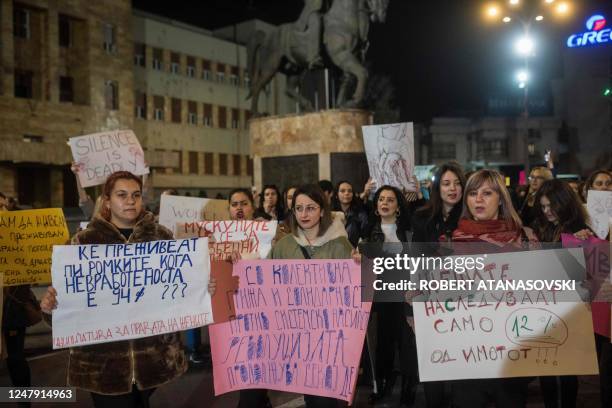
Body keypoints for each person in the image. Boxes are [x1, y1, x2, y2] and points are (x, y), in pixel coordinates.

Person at [40, 171, 216, 408]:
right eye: (121, 195)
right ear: (107, 200)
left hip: (153, 363)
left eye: (136, 195)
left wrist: (202, 287)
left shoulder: (161, 238)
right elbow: (68, 308)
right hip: (101, 367)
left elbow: (179, 289)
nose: (130, 200)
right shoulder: (83, 243)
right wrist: (51, 307)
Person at [451, 169, 537, 408]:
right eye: (472, 193)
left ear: (501, 198)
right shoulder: (450, 242)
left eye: (487, 193)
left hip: (510, 356)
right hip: (467, 356)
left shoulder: (526, 240)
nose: (478, 199)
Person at [269, 184, 352, 408]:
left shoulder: (341, 246)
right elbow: (265, 286)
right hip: (297, 335)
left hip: (331, 335)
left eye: (310, 208)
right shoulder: (283, 247)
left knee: (328, 396)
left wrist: (362, 267)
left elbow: (356, 291)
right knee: (311, 393)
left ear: (322, 211)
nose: (304, 214)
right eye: (299, 208)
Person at [530, 179, 592, 408]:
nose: (547, 212)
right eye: (543, 207)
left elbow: (589, 273)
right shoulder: (537, 227)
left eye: (551, 207)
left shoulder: (581, 230)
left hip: (571, 308)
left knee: (568, 371)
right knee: (545, 367)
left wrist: (585, 244)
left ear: (564, 204)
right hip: (542, 305)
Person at [410, 163, 465, 408]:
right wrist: (413, 303)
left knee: (461, 365)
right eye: (446, 183)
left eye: (457, 183)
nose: (453, 188)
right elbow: (416, 262)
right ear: (437, 187)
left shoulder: (470, 217)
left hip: (466, 303)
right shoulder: (422, 218)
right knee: (434, 364)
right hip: (431, 300)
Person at [362, 185, 417, 407]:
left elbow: (417, 263)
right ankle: (382, 385)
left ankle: (408, 390)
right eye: (381, 199)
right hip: (380, 298)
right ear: (376, 206)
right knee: (382, 346)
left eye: (390, 200)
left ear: (398, 206)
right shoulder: (368, 231)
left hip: (405, 297)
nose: (384, 203)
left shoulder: (409, 232)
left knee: (407, 347)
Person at [1, 191, 39, 408]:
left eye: (5, 206)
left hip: (12, 307)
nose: (4, 211)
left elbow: (31, 270)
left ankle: (23, 404)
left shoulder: (18, 235)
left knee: (15, 359)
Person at [331, 180, 368, 247]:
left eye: (350, 191)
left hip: (353, 253)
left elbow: (365, 237)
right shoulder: (330, 214)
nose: (346, 193)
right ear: (336, 195)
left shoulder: (360, 214)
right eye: (342, 191)